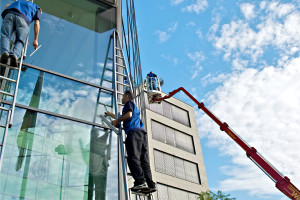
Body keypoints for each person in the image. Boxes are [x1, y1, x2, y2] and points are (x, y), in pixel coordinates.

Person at [105, 91, 156, 193]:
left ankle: (140, 181)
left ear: (127, 96)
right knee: (144, 161)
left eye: (123, 97)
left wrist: (117, 121)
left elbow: (128, 115)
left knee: (133, 158)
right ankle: (151, 184)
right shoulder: (134, 106)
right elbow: (124, 116)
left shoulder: (129, 103)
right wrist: (112, 115)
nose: (122, 99)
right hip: (142, 134)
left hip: (133, 133)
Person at [0, 0, 42, 67]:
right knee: (20, 41)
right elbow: (36, 23)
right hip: (24, 20)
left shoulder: (19, 1)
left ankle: (4, 52)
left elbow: (6, 6)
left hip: (10, 14)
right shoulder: (37, 8)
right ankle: (15, 55)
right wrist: (35, 40)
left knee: (5, 36)